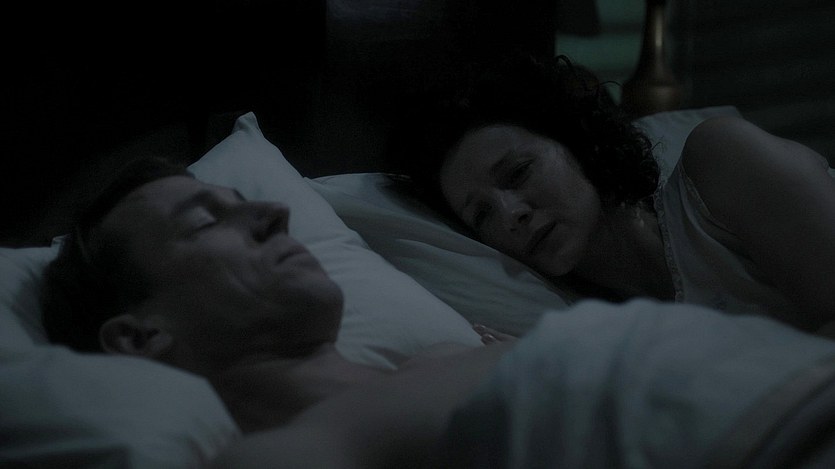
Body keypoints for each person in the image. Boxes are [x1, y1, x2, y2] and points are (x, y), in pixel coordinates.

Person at [40, 157, 835, 468]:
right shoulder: (292, 449)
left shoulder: (444, 363)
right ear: (139, 333)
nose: (275, 213)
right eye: (206, 220)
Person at [390, 53, 835, 334]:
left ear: (576, 142)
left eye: (518, 173)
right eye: (482, 215)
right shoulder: (587, 328)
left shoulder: (721, 161)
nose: (510, 215)